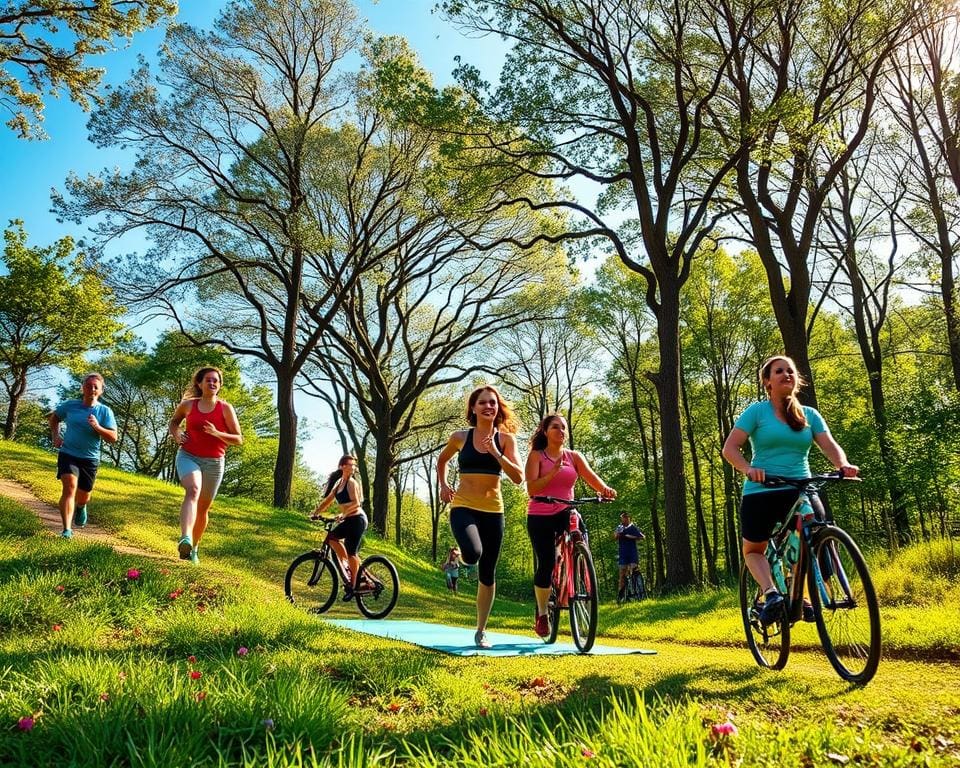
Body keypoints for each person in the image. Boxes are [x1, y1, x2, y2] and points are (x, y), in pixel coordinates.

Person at [722, 355, 858, 626]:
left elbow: (828, 445)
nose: (786, 374)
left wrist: (842, 464)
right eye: (779, 371)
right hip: (762, 489)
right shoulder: (756, 412)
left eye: (790, 371)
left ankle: (802, 595)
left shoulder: (809, 415)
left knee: (815, 532)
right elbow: (730, 449)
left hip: (800, 487)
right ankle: (771, 594)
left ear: (797, 379)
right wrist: (749, 469)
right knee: (753, 550)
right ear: (767, 382)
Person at [437, 385, 524, 648]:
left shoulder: (506, 440)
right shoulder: (460, 437)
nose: (489, 406)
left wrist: (496, 453)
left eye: (493, 403)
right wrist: (443, 485)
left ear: (498, 409)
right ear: (473, 408)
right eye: (483, 403)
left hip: (493, 512)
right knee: (474, 553)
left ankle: (481, 630)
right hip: (463, 506)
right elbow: (442, 461)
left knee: (487, 572)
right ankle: (466, 555)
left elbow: (518, 477)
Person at [525, 414, 616, 639]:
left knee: (577, 525)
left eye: (563, 427)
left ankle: (579, 557)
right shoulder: (537, 456)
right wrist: (554, 472)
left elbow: (591, 477)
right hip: (540, 514)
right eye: (555, 427)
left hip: (565, 510)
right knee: (546, 563)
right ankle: (543, 613)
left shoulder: (574, 457)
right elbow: (532, 490)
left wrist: (604, 490)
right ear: (545, 431)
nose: (561, 431)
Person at [168, 367, 242, 564]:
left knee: (203, 508)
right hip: (188, 455)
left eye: (215, 381)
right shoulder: (188, 405)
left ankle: (194, 548)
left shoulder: (225, 408)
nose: (212, 383)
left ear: (219, 385)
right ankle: (186, 537)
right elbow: (174, 422)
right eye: (208, 380)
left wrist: (217, 433)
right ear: (199, 384)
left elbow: (238, 439)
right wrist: (176, 434)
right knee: (192, 490)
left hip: (214, 462)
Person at [48, 373, 118, 538]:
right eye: (88, 385)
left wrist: (97, 426)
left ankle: (81, 506)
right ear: (82, 388)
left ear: (100, 391)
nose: (91, 389)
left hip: (89, 459)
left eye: (96, 387)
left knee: (83, 495)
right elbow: (54, 418)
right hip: (68, 453)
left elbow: (113, 438)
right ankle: (66, 529)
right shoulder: (70, 406)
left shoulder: (105, 411)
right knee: (69, 488)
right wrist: (56, 436)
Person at [311, 455, 367, 600]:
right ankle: (350, 567)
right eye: (350, 464)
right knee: (332, 538)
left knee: (352, 552)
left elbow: (356, 504)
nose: (353, 467)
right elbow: (328, 500)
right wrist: (315, 513)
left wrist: (343, 514)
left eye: (354, 465)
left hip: (357, 519)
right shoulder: (339, 484)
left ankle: (354, 585)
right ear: (342, 466)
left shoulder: (352, 483)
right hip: (349, 519)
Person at [614, 512, 645, 600]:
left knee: (634, 570)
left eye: (626, 518)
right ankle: (621, 596)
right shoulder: (620, 527)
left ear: (629, 518)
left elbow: (642, 537)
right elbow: (615, 536)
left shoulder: (633, 527)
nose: (624, 519)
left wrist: (629, 536)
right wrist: (618, 534)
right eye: (623, 518)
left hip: (632, 552)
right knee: (622, 574)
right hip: (623, 553)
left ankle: (637, 593)